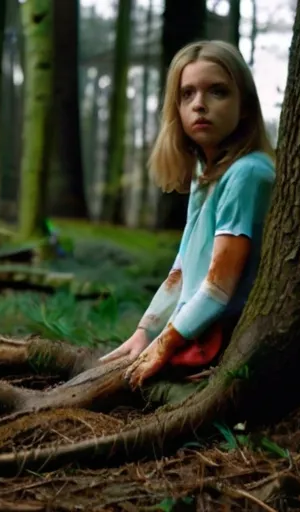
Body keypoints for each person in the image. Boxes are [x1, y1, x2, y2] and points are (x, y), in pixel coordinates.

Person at [100, 40, 277, 390]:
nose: (199, 105)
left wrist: (164, 344)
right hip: (191, 327)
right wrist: (145, 331)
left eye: (218, 92)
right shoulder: (204, 170)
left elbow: (217, 290)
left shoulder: (249, 173)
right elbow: (182, 267)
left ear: (244, 106)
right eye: (187, 94)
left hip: (221, 337)